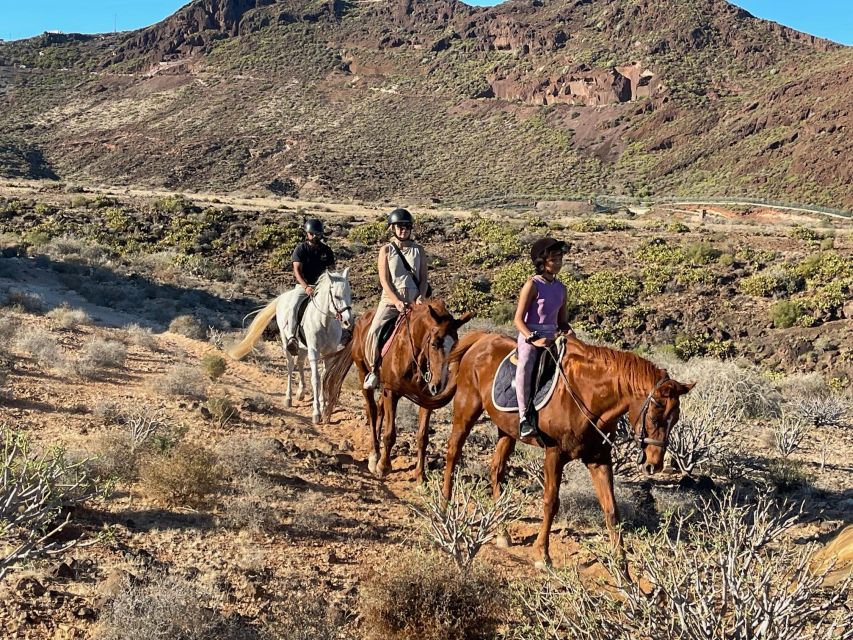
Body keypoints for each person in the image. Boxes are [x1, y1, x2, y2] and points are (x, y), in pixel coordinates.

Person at [362, 208, 430, 390]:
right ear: (392, 228)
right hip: (392, 300)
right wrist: (396, 301)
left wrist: (421, 297)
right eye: (400, 226)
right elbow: (384, 280)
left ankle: (432, 372)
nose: (403, 230)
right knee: (374, 331)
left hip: (415, 301)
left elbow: (424, 279)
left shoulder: (419, 250)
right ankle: (373, 370)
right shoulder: (386, 250)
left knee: (435, 332)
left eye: (407, 226)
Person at [513, 237, 574, 438]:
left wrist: (568, 331)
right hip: (531, 335)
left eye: (559, 259)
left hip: (553, 336)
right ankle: (524, 417)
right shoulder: (532, 285)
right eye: (553, 259)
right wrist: (533, 339)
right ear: (542, 262)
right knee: (526, 363)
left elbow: (562, 320)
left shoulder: (562, 288)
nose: (557, 263)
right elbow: (518, 320)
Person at [285, 218, 336, 355]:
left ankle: (344, 332)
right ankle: (292, 337)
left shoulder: (327, 251)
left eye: (317, 234)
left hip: (322, 287)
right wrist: (306, 287)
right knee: (294, 305)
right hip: (303, 286)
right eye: (312, 234)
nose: (315, 237)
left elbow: (331, 270)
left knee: (338, 302)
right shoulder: (300, 249)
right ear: (307, 234)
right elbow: (297, 270)